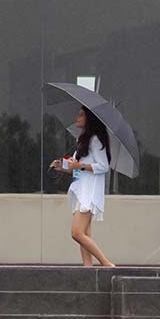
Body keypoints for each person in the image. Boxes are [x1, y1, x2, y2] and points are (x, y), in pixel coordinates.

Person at [59, 107, 116, 267]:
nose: (77, 118)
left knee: (76, 233)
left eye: (81, 115)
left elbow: (103, 166)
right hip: (81, 191)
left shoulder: (95, 140)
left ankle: (106, 263)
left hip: (89, 193)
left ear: (89, 119)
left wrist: (80, 166)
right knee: (84, 234)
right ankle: (88, 267)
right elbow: (75, 168)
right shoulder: (82, 140)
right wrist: (61, 167)